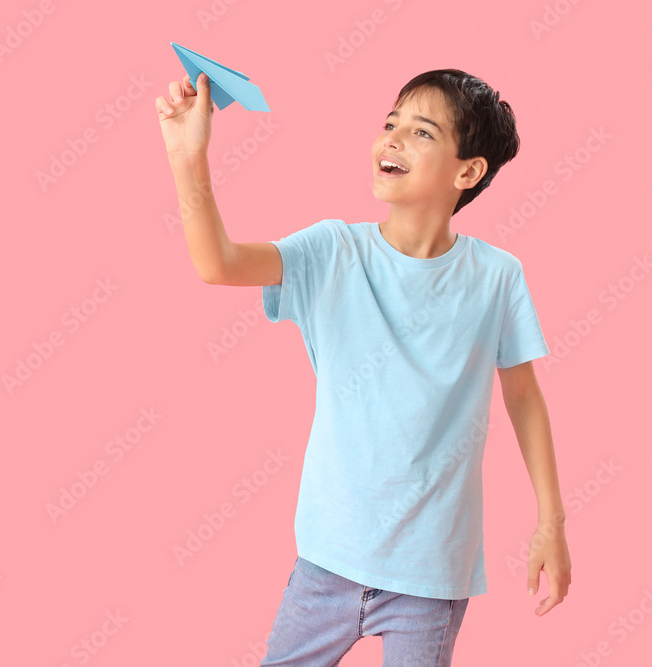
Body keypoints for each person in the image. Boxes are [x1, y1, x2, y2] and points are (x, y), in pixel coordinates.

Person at [156, 68, 572, 666]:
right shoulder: (332, 251)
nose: (393, 139)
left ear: (468, 171)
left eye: (422, 131)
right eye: (390, 123)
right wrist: (186, 156)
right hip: (326, 562)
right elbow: (218, 263)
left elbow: (525, 397)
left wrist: (550, 522)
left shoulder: (497, 277)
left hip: (431, 575)